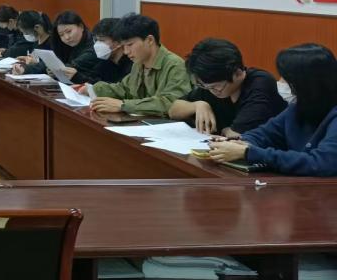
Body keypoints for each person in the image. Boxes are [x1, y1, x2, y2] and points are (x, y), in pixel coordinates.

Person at [207, 44, 337, 176]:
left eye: (286, 79)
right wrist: (239, 142)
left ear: (306, 83)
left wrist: (248, 152)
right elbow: (264, 134)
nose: (280, 83)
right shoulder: (298, 107)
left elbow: (322, 163)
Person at [169, 38, 286, 136]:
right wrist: (197, 105)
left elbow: (236, 135)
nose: (212, 91)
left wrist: (225, 131)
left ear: (238, 74)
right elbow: (173, 110)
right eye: (204, 86)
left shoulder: (260, 82)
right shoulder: (210, 85)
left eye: (215, 87)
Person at [90, 13, 191, 117]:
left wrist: (123, 105)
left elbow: (170, 103)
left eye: (130, 45)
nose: (126, 51)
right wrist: (93, 89)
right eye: (123, 46)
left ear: (150, 40)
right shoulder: (139, 63)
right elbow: (124, 89)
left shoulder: (175, 66)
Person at [13, 10, 98, 81]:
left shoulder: (93, 47)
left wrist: (55, 70)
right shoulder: (65, 45)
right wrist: (25, 69)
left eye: (69, 31)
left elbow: (72, 66)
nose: (67, 37)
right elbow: (49, 63)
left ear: (81, 26)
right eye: (61, 35)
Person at [83, 17, 132, 84]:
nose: (97, 44)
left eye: (102, 40)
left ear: (119, 42)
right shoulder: (104, 61)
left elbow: (119, 88)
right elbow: (91, 81)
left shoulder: (131, 66)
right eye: (96, 40)